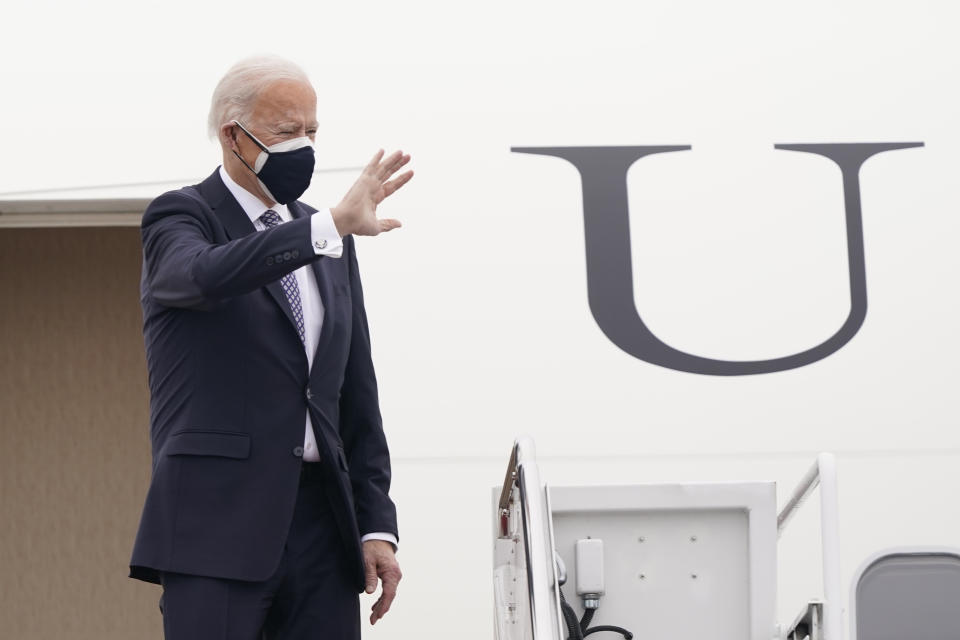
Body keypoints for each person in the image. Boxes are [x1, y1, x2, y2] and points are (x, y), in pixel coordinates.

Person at [128, 55, 411, 640]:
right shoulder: (182, 216)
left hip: (321, 531)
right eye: (286, 132)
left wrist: (375, 526)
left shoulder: (328, 237)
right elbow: (203, 276)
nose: (303, 146)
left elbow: (354, 394)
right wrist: (325, 228)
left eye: (312, 131)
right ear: (234, 136)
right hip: (215, 526)